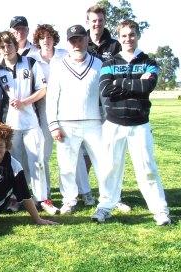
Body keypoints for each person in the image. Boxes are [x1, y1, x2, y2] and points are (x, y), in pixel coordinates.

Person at [92, 20, 170, 225]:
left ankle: (160, 210)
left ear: (138, 35)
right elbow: (106, 90)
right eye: (124, 35)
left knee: (147, 168)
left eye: (132, 34)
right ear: (119, 37)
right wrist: (136, 84)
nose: (128, 39)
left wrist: (120, 82)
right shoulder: (109, 63)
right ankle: (105, 206)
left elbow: (149, 86)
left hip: (139, 124)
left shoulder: (149, 62)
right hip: (114, 123)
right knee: (109, 167)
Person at [46, 25, 107, 214]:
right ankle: (69, 200)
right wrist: (54, 125)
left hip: (94, 122)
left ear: (87, 40)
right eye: (73, 40)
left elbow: (104, 96)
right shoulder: (57, 65)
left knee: (103, 163)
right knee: (67, 166)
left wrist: (107, 121)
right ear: (68, 42)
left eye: (80, 39)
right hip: (66, 124)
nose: (76, 44)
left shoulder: (98, 64)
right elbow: (52, 97)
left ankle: (108, 199)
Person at [0, 31, 53, 214]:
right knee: (15, 165)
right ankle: (17, 198)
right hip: (11, 125)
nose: (6, 49)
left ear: (15, 45)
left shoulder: (30, 62)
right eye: (2, 46)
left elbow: (43, 89)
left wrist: (25, 102)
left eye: (9, 45)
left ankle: (43, 199)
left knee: (37, 161)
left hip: (31, 122)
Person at [86, 4, 130, 213]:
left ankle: (114, 196)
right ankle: (83, 193)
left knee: (111, 151)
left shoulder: (114, 45)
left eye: (100, 20)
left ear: (105, 21)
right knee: (85, 152)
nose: (97, 24)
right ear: (88, 22)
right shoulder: (81, 42)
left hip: (109, 105)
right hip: (86, 106)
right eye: (93, 20)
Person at [30, 24, 68, 214]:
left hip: (66, 107)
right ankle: (45, 194)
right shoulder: (32, 59)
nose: (46, 40)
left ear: (54, 39)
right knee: (43, 154)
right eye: (42, 37)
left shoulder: (64, 55)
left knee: (68, 153)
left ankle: (72, 194)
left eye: (50, 36)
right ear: (37, 40)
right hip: (43, 109)